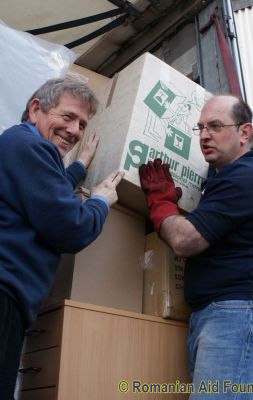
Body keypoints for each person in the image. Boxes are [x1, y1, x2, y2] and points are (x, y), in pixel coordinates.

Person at [139, 95, 253, 399]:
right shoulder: (221, 182)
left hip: (241, 315)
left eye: (216, 126)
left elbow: (184, 240)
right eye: (201, 128)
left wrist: (160, 203)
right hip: (230, 316)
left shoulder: (246, 178)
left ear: (245, 133)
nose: (205, 135)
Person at [0, 78, 124, 399]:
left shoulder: (19, 147)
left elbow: (42, 193)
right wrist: (100, 201)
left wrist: (80, 165)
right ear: (35, 110)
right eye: (67, 117)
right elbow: (72, 227)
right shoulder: (28, 146)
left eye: (82, 124)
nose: (75, 131)